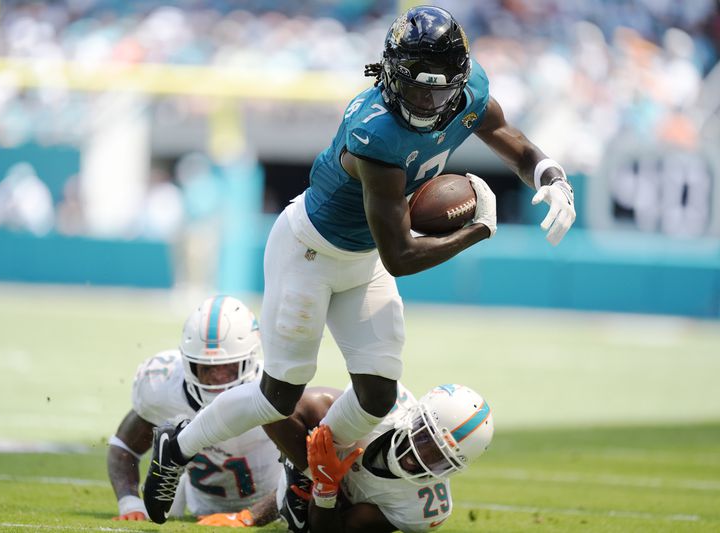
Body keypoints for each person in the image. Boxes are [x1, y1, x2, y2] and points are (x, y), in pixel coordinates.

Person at [142, 6, 574, 523]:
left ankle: (314, 470)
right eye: (415, 88)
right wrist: (476, 230)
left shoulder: (471, 91)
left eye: (438, 92)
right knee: (280, 394)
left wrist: (550, 176)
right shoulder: (375, 131)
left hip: (362, 258)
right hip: (310, 251)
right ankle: (179, 445)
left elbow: (514, 143)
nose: (427, 102)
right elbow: (400, 256)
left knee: (377, 396)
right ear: (390, 75)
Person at [108, 296, 281, 527]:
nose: (217, 377)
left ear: (249, 362)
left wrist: (250, 516)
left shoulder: (272, 394)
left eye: (228, 367)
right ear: (187, 363)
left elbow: (301, 473)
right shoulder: (163, 387)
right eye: (207, 367)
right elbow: (124, 446)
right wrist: (130, 503)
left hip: (272, 506)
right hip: (196, 504)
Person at [264, 382, 493, 532]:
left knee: (305, 528)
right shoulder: (387, 407)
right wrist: (314, 468)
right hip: (331, 454)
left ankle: (307, 485)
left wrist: (326, 487)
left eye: (441, 458)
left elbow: (340, 529)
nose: (421, 458)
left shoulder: (423, 507)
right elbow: (279, 410)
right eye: (425, 438)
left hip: (340, 502)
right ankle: (302, 475)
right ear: (413, 419)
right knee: (283, 405)